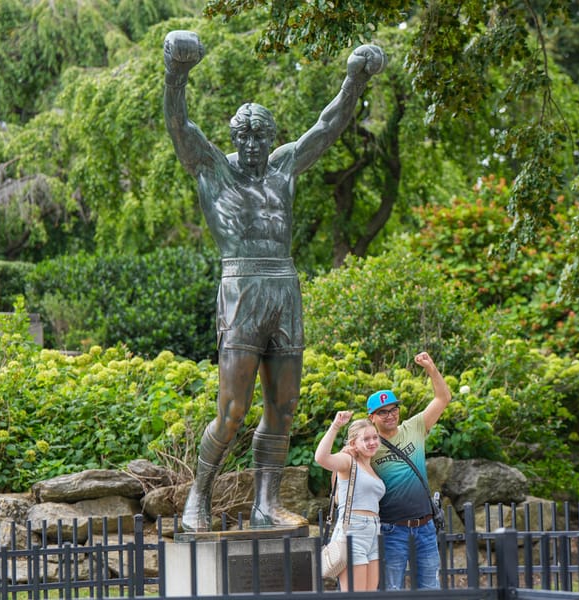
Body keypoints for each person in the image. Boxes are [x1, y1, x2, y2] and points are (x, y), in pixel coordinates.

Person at [162, 30, 386, 532]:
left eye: (263, 136)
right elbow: (179, 124)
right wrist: (175, 73)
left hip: (284, 288)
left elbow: (328, 127)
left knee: (283, 406)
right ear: (234, 136)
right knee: (233, 408)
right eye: (246, 136)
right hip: (241, 288)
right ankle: (198, 495)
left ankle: (265, 504)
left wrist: (354, 78)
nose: (255, 144)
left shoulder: (284, 166)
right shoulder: (212, 169)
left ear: (271, 136)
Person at [368, 351, 451, 590]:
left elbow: (443, 398)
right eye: (383, 412)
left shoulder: (414, 427)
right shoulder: (369, 446)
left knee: (430, 590)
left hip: (425, 527)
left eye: (393, 409)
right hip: (392, 529)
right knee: (392, 590)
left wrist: (431, 369)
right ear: (372, 417)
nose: (390, 415)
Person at [314, 411, 385, 591]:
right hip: (354, 530)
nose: (372, 442)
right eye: (365, 439)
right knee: (356, 595)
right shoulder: (348, 461)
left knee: (370, 594)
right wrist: (336, 426)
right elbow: (321, 458)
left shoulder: (372, 467)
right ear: (354, 443)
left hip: (374, 532)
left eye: (375, 437)